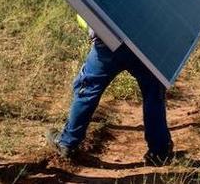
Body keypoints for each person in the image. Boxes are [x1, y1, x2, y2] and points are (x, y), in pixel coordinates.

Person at [46, 18, 174, 166]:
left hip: (108, 41)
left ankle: (67, 143)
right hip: (145, 41)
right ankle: (159, 151)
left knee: (87, 89)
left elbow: (86, 13)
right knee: (153, 93)